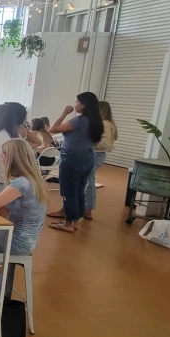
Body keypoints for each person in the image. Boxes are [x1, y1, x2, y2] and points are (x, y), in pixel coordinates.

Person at [0, 140, 48, 298]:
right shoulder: (33, 180)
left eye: (2, 155)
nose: (1, 158)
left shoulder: (20, 183)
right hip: (28, 240)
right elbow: (8, 204)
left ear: (11, 158)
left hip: (15, 241)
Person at [47, 92, 104, 232]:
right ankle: (75, 220)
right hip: (88, 157)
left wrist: (64, 113)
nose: (74, 104)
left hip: (72, 158)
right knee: (79, 190)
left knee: (69, 191)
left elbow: (52, 129)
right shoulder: (96, 121)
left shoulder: (78, 121)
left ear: (84, 105)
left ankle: (68, 224)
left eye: (76, 102)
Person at [84, 101, 117, 219]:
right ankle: (86, 208)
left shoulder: (105, 124)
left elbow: (104, 144)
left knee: (89, 181)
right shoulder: (105, 123)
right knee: (87, 180)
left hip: (96, 155)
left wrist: (87, 144)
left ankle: (88, 209)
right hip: (95, 154)